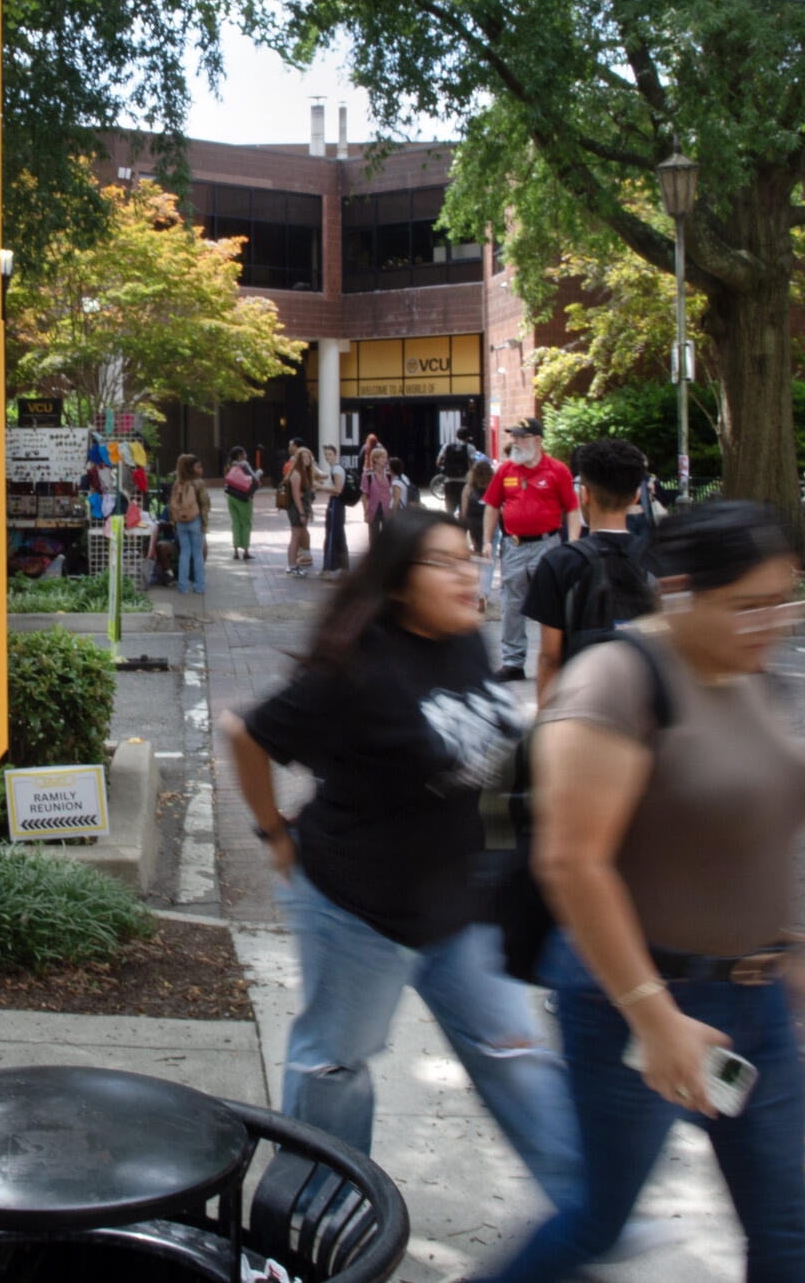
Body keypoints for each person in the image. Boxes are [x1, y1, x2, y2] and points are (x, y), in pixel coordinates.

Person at [478, 502, 805, 1283]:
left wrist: (784, 942)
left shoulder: (751, 674)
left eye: (786, 600)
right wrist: (652, 1013)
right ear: (679, 592)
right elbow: (571, 863)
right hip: (636, 1005)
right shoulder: (617, 680)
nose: (775, 623)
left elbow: (758, 820)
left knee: (784, 1235)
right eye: (750, 605)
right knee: (596, 1222)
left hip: (757, 1002)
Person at [220, 510, 580, 1212]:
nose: (466, 574)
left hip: (461, 907)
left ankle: (591, 1211)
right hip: (361, 912)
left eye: (470, 558)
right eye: (443, 562)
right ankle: (311, 1220)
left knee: (515, 1053)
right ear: (398, 582)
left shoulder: (468, 643)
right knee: (333, 1067)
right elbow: (246, 734)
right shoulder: (354, 669)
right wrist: (274, 835)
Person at [522, 439, 662, 707]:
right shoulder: (658, 558)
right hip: (643, 704)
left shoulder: (558, 562)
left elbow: (550, 657)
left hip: (580, 707)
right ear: (635, 497)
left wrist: (545, 724)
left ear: (583, 495)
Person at [480, 421, 581, 681]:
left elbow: (572, 508)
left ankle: (561, 658)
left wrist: (573, 544)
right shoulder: (505, 470)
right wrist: (487, 541)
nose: (515, 442)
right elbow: (492, 506)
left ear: (536, 440)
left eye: (520, 437)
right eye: (513, 437)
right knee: (511, 605)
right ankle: (513, 663)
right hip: (514, 546)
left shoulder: (557, 470)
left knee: (553, 603)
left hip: (547, 545)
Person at [168, 453, 210, 595]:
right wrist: (204, 522)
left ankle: (183, 586)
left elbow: (171, 504)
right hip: (195, 520)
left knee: (184, 553)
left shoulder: (177, 483)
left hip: (181, 522)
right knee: (197, 553)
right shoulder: (198, 483)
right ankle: (199, 586)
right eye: (198, 466)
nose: (201, 469)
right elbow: (205, 504)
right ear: (191, 468)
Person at [317, 444, 351, 578]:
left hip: (336, 504)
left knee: (331, 536)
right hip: (339, 505)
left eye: (330, 454)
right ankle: (344, 568)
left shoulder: (336, 469)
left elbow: (337, 490)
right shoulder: (337, 468)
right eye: (326, 454)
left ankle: (328, 569)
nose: (327, 457)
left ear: (335, 454)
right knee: (339, 535)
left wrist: (321, 488)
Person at [283, 442, 315, 576]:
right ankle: (291, 566)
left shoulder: (304, 473)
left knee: (298, 536)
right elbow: (296, 496)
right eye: (304, 457)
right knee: (295, 537)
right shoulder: (296, 474)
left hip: (302, 508)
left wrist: (309, 510)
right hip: (297, 509)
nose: (307, 460)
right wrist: (302, 512)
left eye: (309, 457)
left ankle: (293, 565)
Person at [223, 446, 258, 562]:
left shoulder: (228, 466)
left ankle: (236, 551)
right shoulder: (243, 465)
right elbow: (254, 480)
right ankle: (246, 551)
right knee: (246, 523)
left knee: (236, 523)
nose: (246, 456)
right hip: (243, 498)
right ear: (239, 456)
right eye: (244, 454)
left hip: (231, 497)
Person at [437, 427, 476, 520]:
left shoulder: (446, 446)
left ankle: (451, 529)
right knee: (464, 509)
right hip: (463, 483)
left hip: (449, 482)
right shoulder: (470, 448)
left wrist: (446, 468)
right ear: (467, 438)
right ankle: (462, 530)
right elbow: (472, 465)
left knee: (450, 510)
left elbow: (438, 462)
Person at [464, 449, 495, 557]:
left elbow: (464, 511)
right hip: (491, 525)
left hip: (474, 524)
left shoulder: (468, 488)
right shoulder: (494, 487)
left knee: (477, 551)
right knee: (490, 554)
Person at [360, 435, 390, 530]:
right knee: (374, 537)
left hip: (387, 510)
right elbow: (364, 495)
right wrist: (366, 512)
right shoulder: (367, 475)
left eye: (386, 457)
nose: (386, 460)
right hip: (373, 510)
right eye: (383, 458)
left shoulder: (389, 474)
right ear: (376, 459)